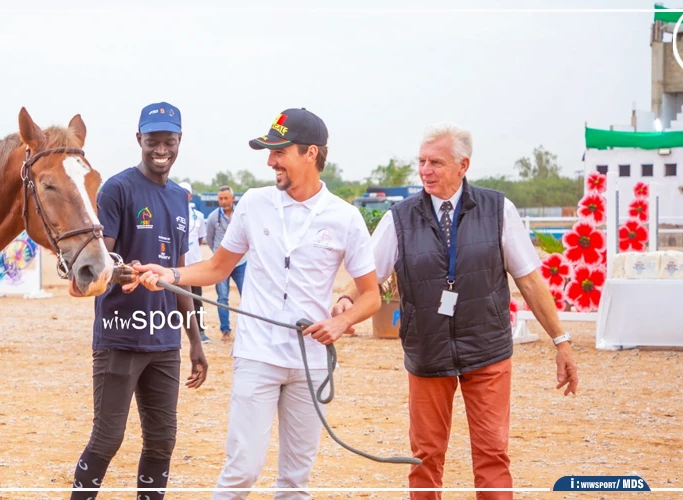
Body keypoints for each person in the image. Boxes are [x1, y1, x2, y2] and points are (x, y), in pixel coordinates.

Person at [127, 108, 382, 499]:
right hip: (257, 355)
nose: (270, 161)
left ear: (310, 153)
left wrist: (341, 321)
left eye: (279, 152)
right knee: (240, 473)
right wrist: (168, 275)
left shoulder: (345, 218)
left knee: (295, 482)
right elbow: (216, 267)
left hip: (310, 361)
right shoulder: (254, 203)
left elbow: (371, 296)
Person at [334, 123, 580, 499]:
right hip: (428, 353)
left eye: (436, 162)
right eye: (421, 161)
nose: (425, 170)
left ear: (463, 165)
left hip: (488, 352)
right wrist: (347, 302)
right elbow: (370, 274)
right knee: (425, 459)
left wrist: (561, 340)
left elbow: (529, 281)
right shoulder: (398, 219)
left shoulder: (499, 209)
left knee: (492, 456)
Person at [69, 102, 208, 500]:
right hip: (120, 338)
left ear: (179, 142)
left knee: (162, 440)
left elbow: (180, 276)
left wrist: (195, 339)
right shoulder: (118, 188)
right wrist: (122, 270)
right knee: (107, 438)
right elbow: (100, 261)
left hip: (165, 342)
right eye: (153, 141)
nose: (160, 149)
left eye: (169, 141)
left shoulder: (181, 199)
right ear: (139, 141)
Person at [204, 186, 247, 341]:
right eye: (220, 198)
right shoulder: (212, 217)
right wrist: (219, 255)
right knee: (222, 298)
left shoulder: (242, 215)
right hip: (221, 265)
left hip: (241, 263)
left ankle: (246, 330)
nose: (223, 201)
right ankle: (225, 330)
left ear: (232, 198)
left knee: (247, 296)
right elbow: (209, 239)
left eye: (225, 198)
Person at [178, 181, 212, 343]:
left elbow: (200, 239)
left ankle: (200, 332)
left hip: (194, 264)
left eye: (186, 192)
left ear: (191, 195)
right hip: (176, 266)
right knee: (171, 300)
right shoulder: (170, 213)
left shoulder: (198, 216)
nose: (183, 195)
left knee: (196, 300)